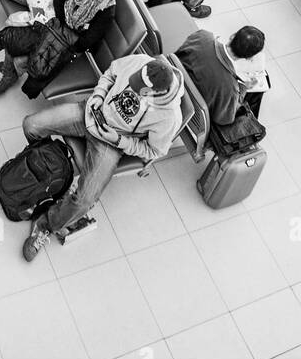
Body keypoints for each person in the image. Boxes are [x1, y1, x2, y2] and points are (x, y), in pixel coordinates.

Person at [21, 54, 183, 258]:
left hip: (111, 143)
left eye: (137, 88)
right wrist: (98, 96)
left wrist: (118, 140)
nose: (132, 86)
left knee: (84, 199)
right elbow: (111, 73)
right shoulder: (142, 60)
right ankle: (47, 174)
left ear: (151, 93)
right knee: (31, 126)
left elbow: (154, 151)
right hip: (90, 111)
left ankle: (46, 225)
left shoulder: (169, 117)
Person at [0, 0, 117, 98]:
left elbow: (85, 42)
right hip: (58, 24)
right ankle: (10, 72)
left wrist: (58, 34)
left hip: (72, 43)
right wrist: (59, 25)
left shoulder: (106, 11)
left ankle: (10, 74)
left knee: (25, 59)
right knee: (13, 39)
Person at [177, 26, 268, 125]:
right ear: (249, 57)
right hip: (191, 113)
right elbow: (224, 120)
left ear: (232, 36)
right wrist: (243, 88)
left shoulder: (202, 36)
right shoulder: (231, 89)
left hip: (175, 83)